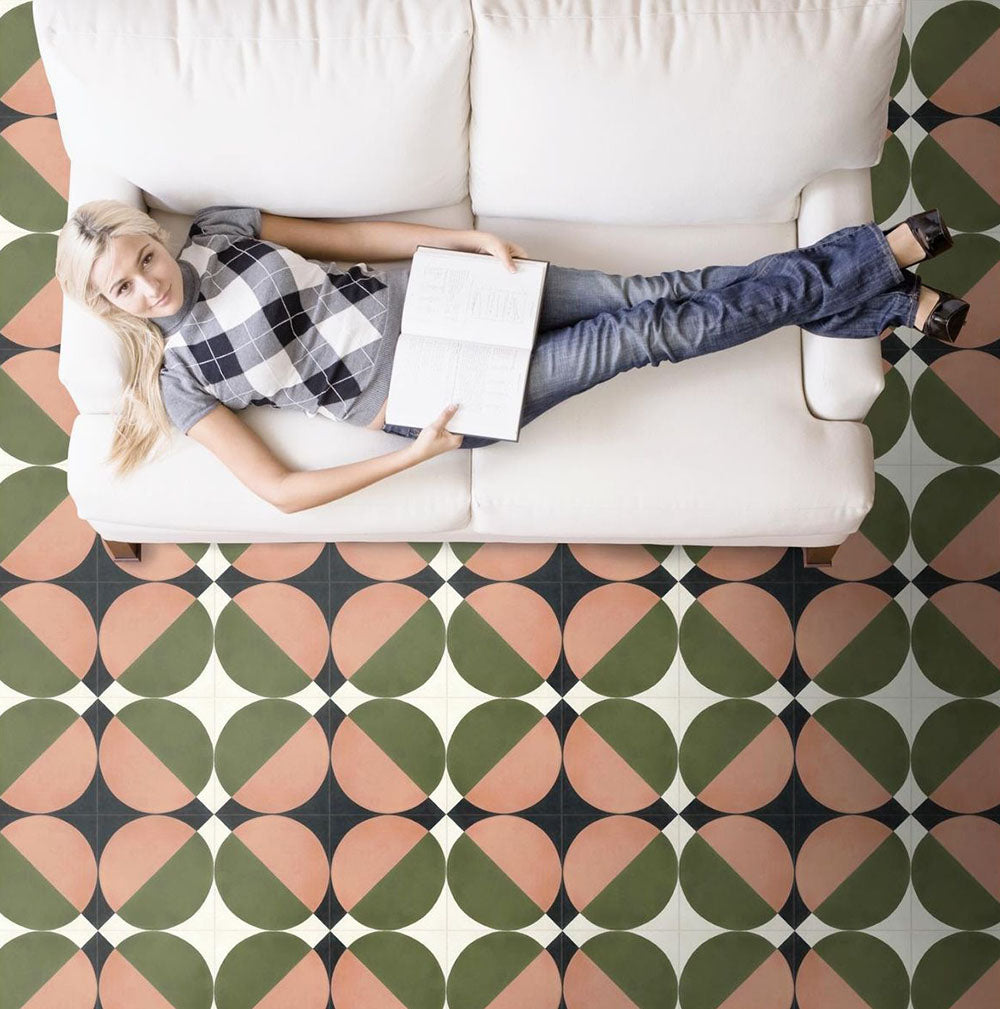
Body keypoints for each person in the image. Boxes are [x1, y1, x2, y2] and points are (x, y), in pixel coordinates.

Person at [55, 202, 969, 514]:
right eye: (124, 290)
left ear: (151, 239)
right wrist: (411, 454)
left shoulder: (220, 229)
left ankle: (880, 295)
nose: (148, 283)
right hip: (430, 394)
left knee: (656, 290)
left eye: (142, 257)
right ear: (107, 308)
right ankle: (877, 261)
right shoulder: (182, 380)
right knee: (654, 334)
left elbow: (345, 235)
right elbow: (279, 492)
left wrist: (462, 236)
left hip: (443, 294)